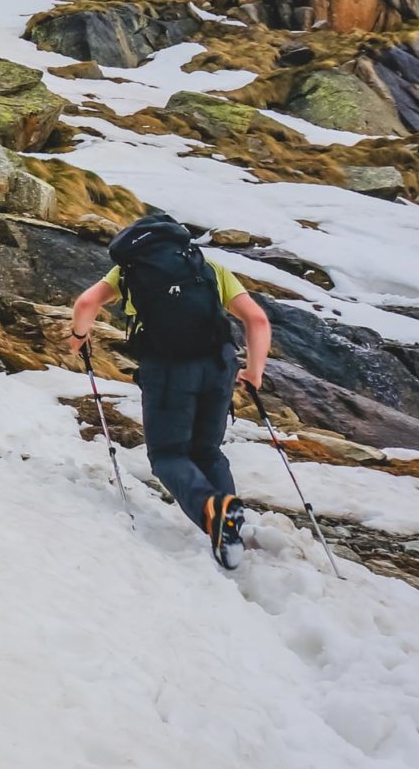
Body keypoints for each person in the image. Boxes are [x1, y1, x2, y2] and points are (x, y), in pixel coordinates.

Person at [68, 213, 272, 568]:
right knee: (208, 451)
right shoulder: (206, 265)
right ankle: (227, 526)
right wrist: (254, 371)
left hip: (168, 368)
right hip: (218, 364)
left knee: (168, 455)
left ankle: (213, 512)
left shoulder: (129, 271)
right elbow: (257, 320)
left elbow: (86, 304)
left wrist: (79, 337)